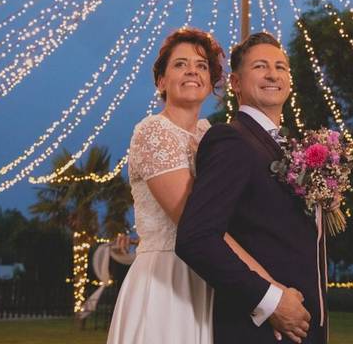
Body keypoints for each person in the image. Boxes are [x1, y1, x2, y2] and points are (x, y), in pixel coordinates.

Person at [106, 28, 280, 344]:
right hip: (167, 279)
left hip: (210, 280)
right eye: (180, 64)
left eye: (202, 66)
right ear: (161, 81)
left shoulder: (208, 134)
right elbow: (196, 225)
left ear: (212, 81)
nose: (192, 71)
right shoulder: (153, 133)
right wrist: (270, 290)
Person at [177, 32, 326, 344]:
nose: (273, 74)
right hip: (260, 331)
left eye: (281, 67)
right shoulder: (231, 140)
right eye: (260, 66)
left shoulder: (294, 147)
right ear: (235, 83)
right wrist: (270, 301)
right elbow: (196, 238)